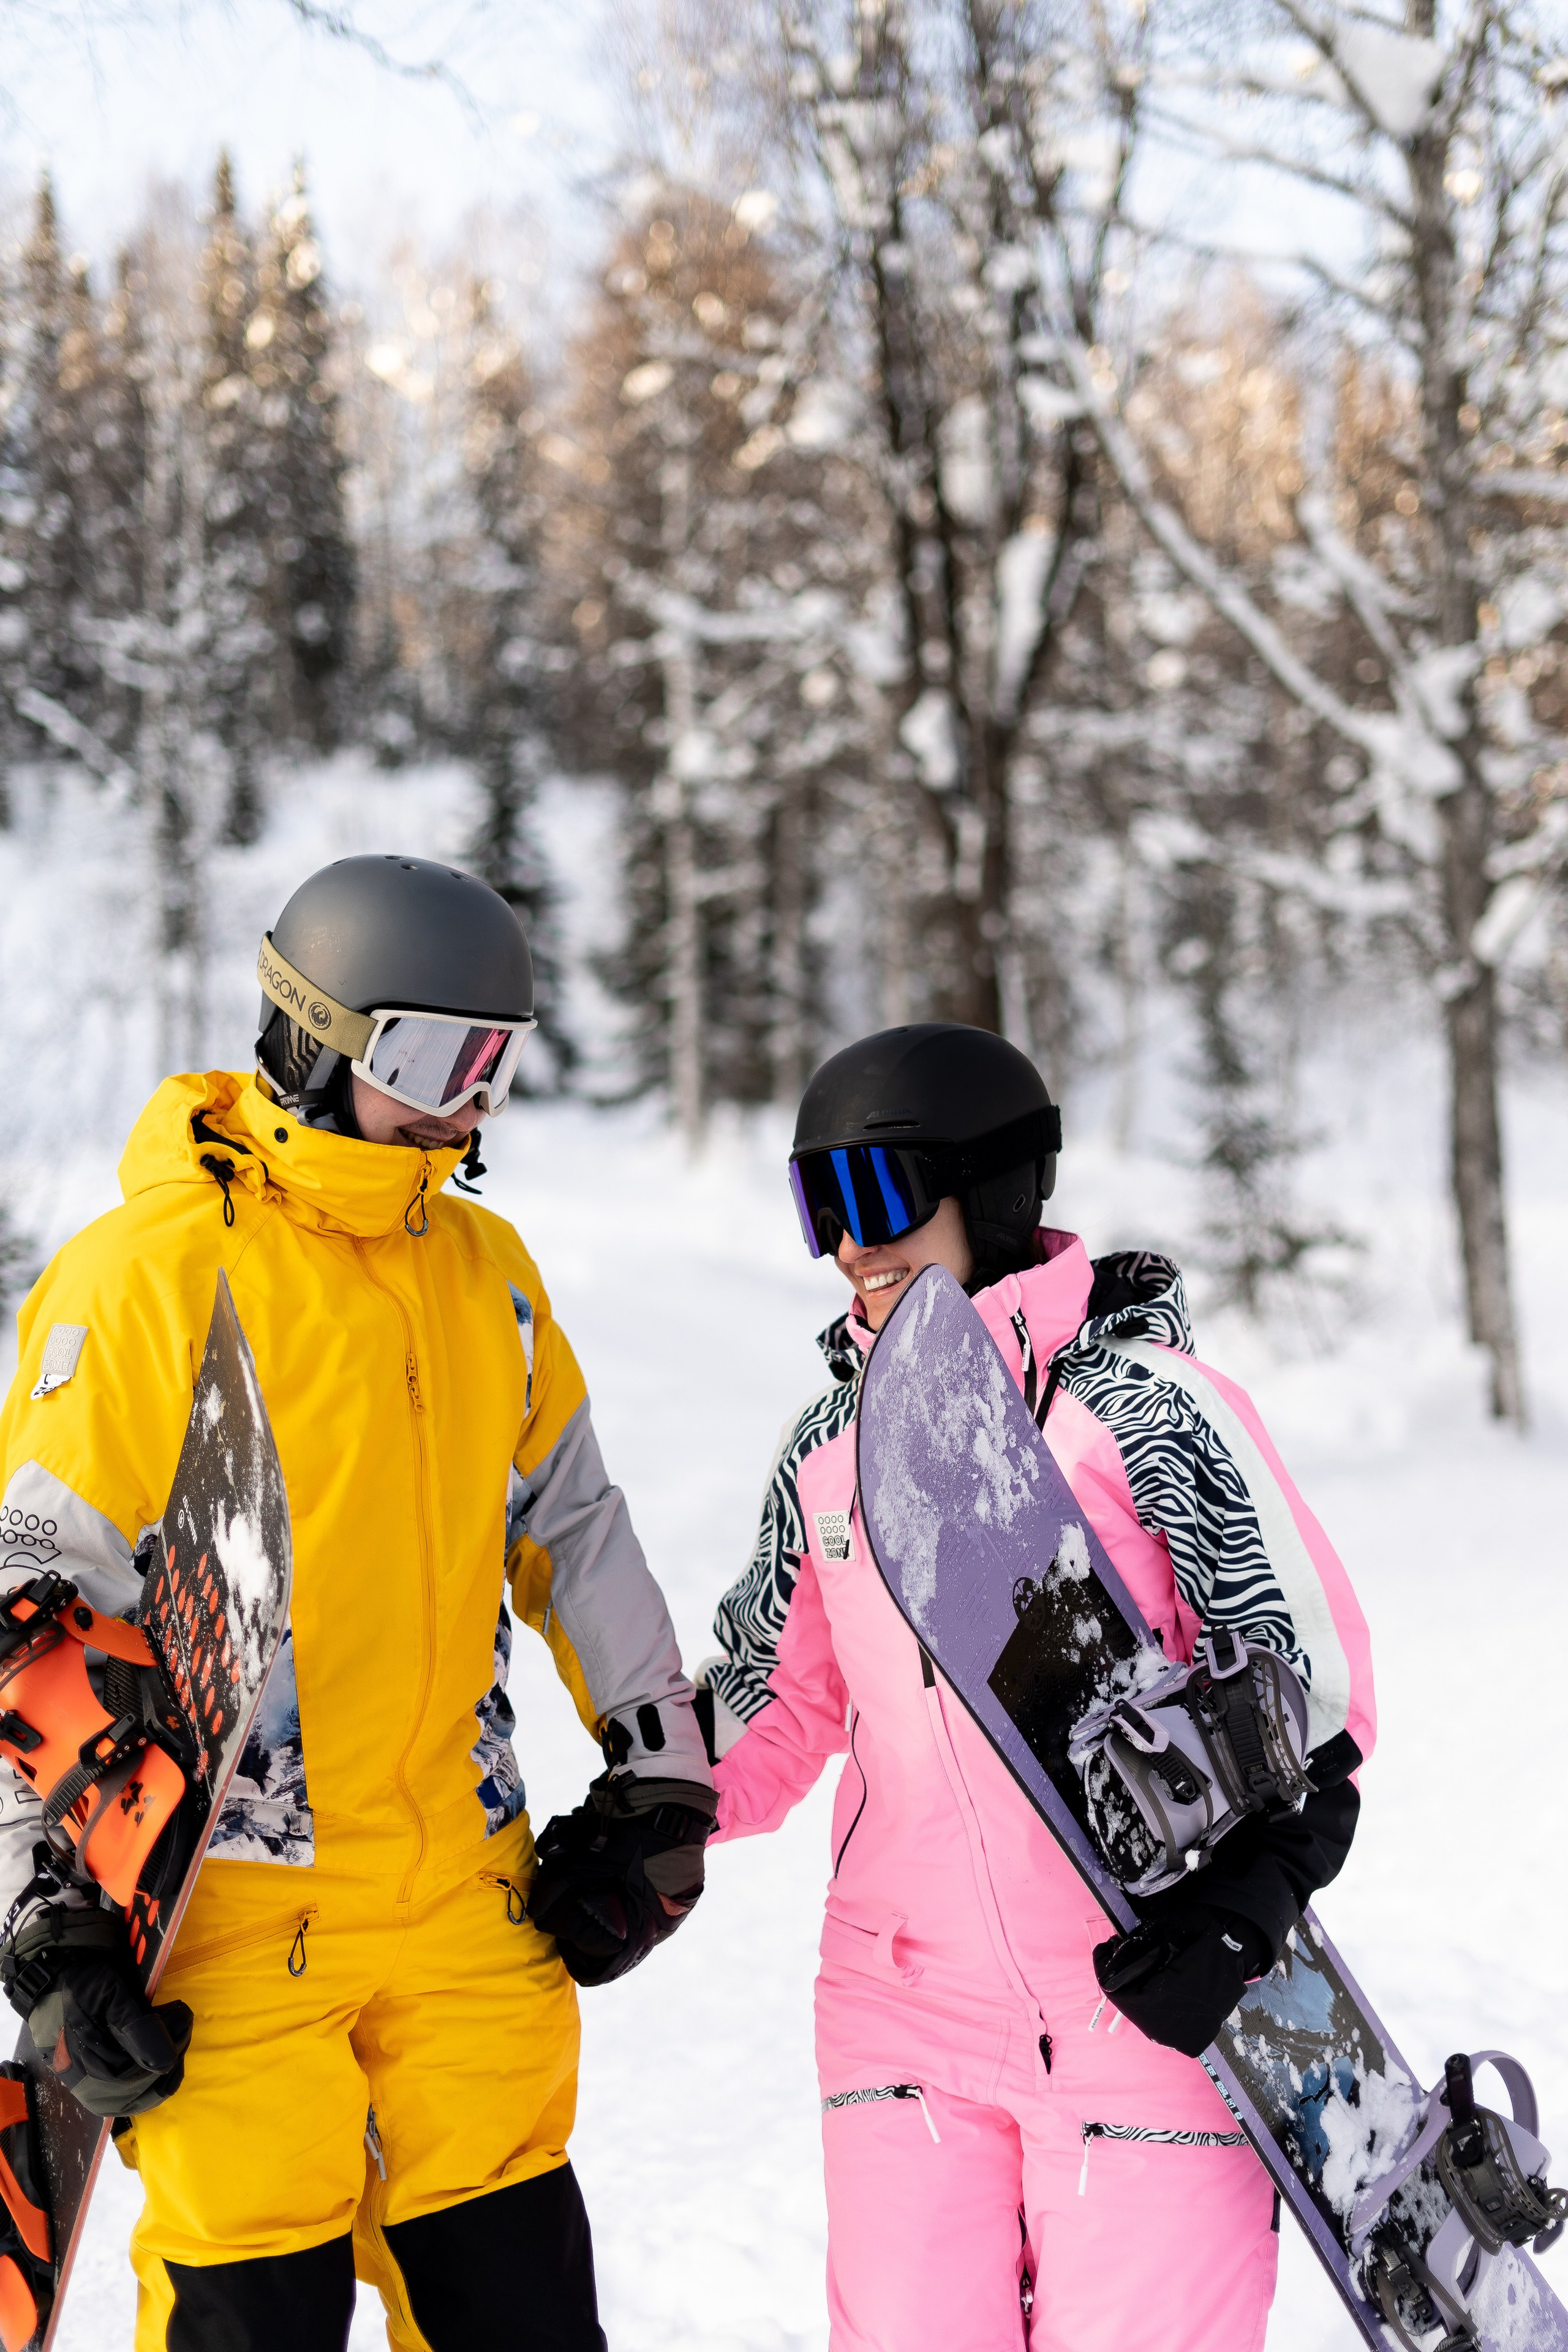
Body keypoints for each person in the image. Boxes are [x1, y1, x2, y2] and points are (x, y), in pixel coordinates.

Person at [0, 854, 715, 2352]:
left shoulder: (483, 1273)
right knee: (251, 2309)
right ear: (319, 1038)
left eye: (495, 1067)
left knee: (518, 2309)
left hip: (465, 1905)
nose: (467, 1107)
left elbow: (570, 1528)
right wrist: (46, 1910)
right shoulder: (147, 1281)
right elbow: (29, 1603)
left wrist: (659, 1770)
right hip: (233, 1913)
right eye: (435, 1061)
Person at [697, 1022, 1375, 2352]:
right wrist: (649, 1811)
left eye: (879, 1197)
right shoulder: (833, 1448)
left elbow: (1312, 1682)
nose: (848, 1245)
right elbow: (774, 1697)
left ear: (995, 1192)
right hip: (898, 2018)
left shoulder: (1149, 1413)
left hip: (1141, 2003)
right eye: (818, 1205)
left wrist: (1244, 1909)